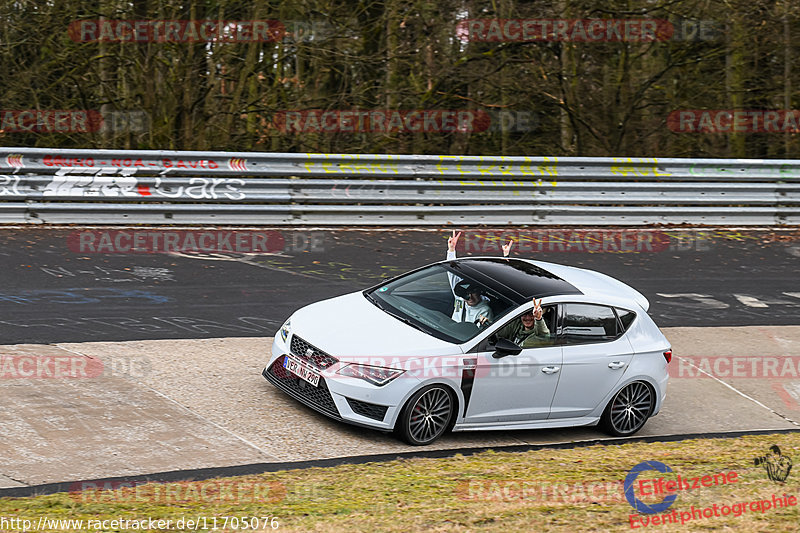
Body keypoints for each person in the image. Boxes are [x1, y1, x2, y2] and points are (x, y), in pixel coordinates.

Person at [446, 231, 494, 326]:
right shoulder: (461, 297)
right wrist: (451, 250)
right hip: (450, 329)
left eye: (473, 293)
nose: (470, 298)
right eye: (466, 294)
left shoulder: (484, 311)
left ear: (479, 292)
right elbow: (451, 274)